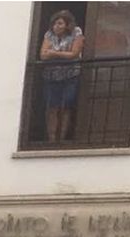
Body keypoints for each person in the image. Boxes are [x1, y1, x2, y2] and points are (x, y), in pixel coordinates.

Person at [40, 10, 85, 143]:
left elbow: (74, 54)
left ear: (67, 25)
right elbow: (42, 55)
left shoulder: (76, 32)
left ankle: (62, 138)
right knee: (52, 108)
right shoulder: (49, 34)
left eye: (60, 23)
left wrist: (53, 52)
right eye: (54, 23)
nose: (56, 26)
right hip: (51, 77)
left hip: (70, 77)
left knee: (65, 107)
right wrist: (64, 54)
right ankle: (52, 139)